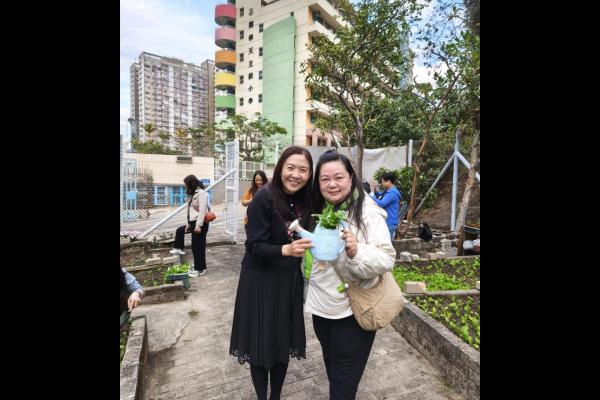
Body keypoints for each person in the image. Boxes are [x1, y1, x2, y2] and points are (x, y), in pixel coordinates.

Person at [304, 150, 396, 400]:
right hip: (322, 310)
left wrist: (356, 251)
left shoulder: (367, 211)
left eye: (338, 177)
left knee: (343, 384)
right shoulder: (320, 210)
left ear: (351, 177)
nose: (332, 184)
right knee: (334, 373)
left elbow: (386, 257)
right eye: (324, 179)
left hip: (352, 312)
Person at [229, 146, 314, 400]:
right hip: (260, 280)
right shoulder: (263, 198)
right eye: (291, 168)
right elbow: (254, 246)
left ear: (310, 174)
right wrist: (285, 250)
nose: (296, 175)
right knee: (260, 342)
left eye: (303, 170)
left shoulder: (306, 199)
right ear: (280, 169)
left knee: (281, 342)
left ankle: (275, 396)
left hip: (288, 280)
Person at [170, 175, 210, 277]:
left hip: (200, 223)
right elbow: (189, 211)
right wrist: (188, 223)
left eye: (186, 184)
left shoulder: (201, 193)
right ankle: (198, 265)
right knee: (194, 246)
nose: (185, 186)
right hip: (193, 222)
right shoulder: (192, 194)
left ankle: (200, 269)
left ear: (191, 183)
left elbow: (202, 210)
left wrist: (198, 225)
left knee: (198, 247)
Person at [370, 172, 402, 240]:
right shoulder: (388, 191)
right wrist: (375, 191)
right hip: (388, 222)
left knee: (387, 244)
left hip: (390, 223)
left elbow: (381, 203)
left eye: (383, 182)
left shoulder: (392, 193)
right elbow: (380, 196)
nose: (382, 183)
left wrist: (372, 194)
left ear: (389, 181)